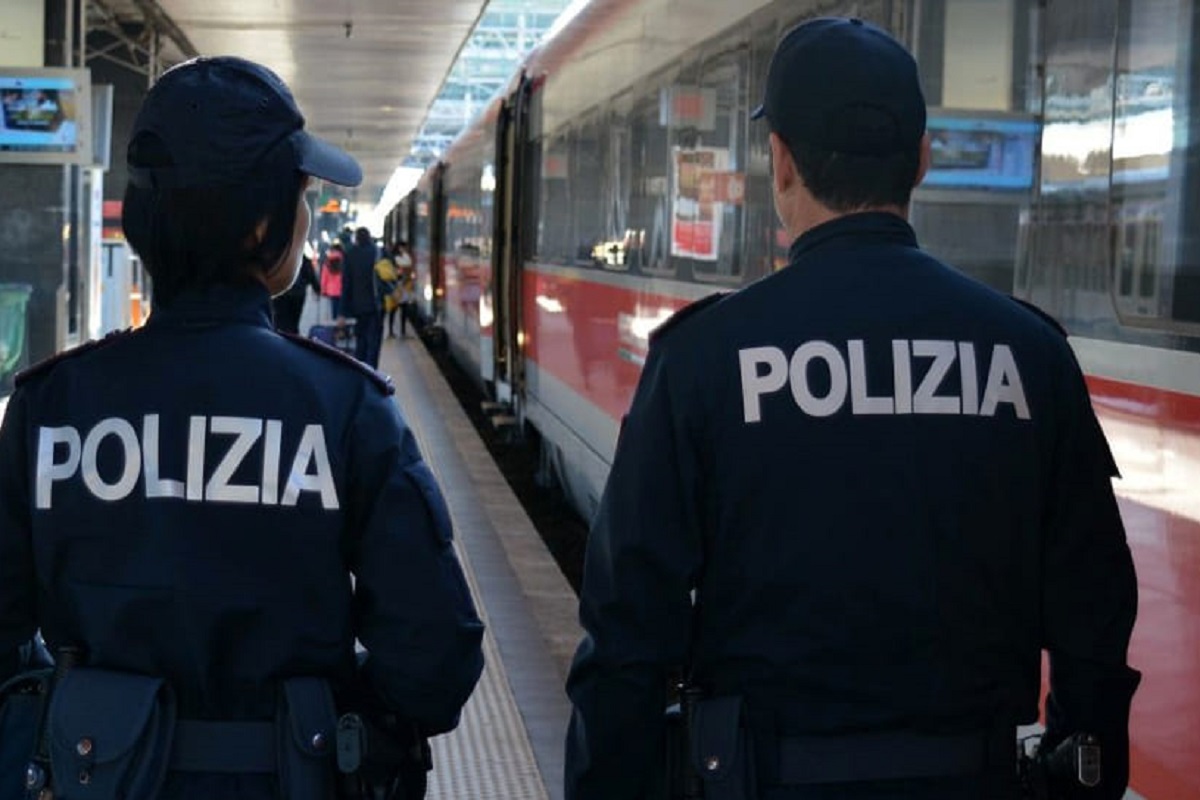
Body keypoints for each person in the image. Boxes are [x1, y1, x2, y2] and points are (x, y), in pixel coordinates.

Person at [564, 17, 1138, 800]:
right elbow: (1094, 613)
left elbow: (627, 629)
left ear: (782, 162)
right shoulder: (1028, 354)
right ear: (923, 160)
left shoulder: (704, 358)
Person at [0, 55, 484, 799]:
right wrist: (335, 716)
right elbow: (437, 660)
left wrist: (69, 704)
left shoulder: (50, 407)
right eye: (299, 194)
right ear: (263, 224)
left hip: (93, 773)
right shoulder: (346, 408)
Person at [341, 227, 383, 368]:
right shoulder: (378, 252)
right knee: (374, 342)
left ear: (357, 238)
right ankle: (373, 372)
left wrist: (341, 312)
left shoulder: (350, 253)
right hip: (377, 305)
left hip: (358, 306)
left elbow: (346, 284)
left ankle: (361, 370)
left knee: (361, 340)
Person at [272, 246, 319, 334]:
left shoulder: (278, 257)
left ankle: (282, 335)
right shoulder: (303, 258)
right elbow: (310, 274)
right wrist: (317, 289)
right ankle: (292, 334)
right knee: (294, 319)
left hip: (281, 293)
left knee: (281, 319)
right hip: (298, 293)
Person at [320, 240, 345, 320]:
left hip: (331, 291)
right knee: (343, 311)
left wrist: (323, 290)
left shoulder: (327, 262)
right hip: (343, 289)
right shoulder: (344, 260)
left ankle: (335, 328)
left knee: (334, 311)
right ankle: (343, 329)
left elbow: (324, 278)